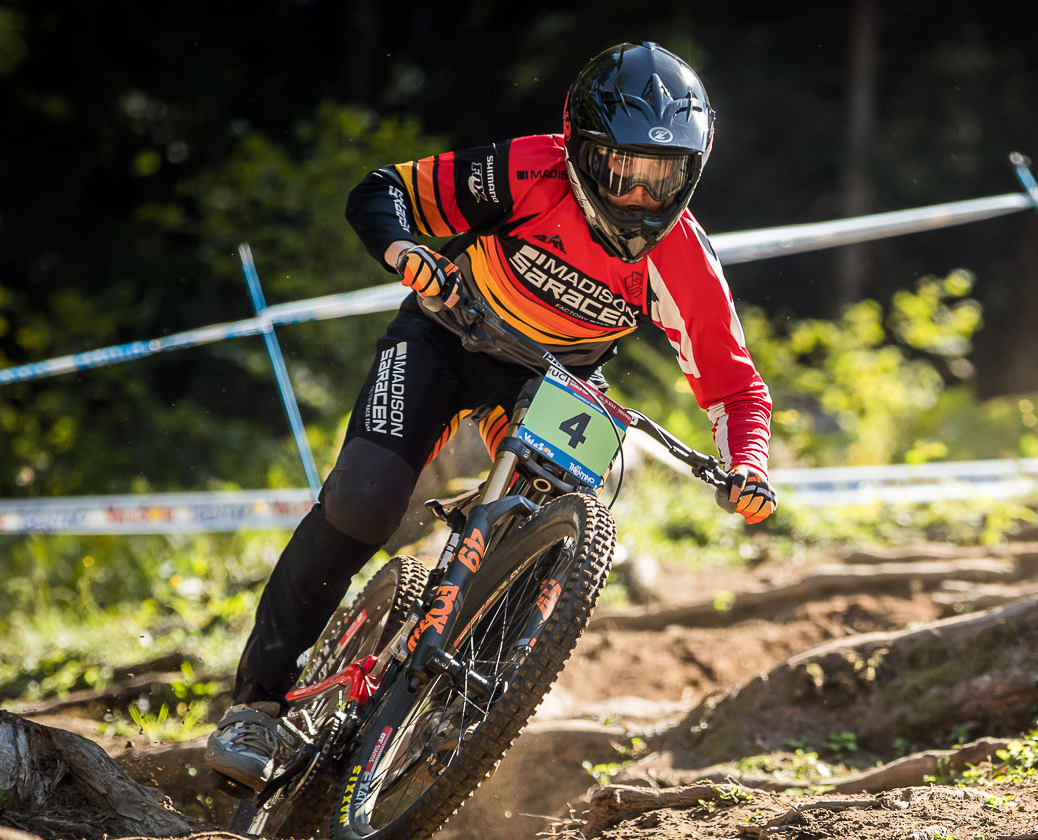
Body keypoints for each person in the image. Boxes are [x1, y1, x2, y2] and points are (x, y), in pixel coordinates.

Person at [207, 41, 775, 789]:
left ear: (692, 172)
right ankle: (256, 706)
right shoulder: (528, 170)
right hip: (446, 339)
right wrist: (404, 252)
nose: (640, 196)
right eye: (621, 170)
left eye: (662, 176)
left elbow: (737, 389)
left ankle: (459, 699)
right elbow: (383, 192)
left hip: (554, 385)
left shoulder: (684, 259)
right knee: (362, 503)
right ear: (579, 151)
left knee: (553, 529)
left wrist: (747, 466)